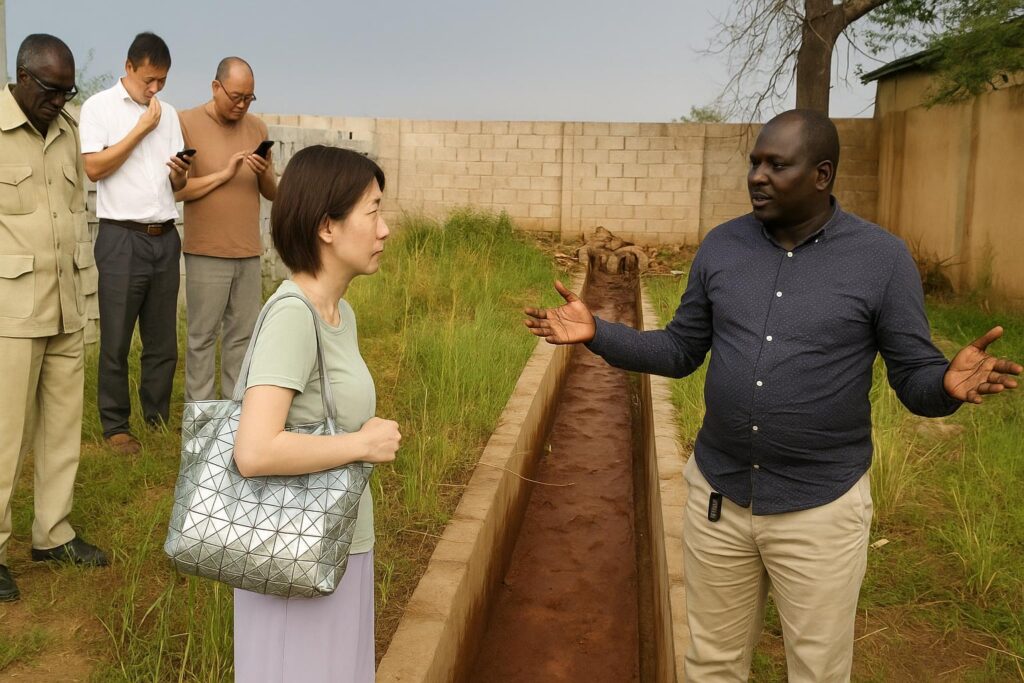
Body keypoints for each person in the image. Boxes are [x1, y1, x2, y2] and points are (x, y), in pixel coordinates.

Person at [524, 109, 1021, 682]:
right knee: (711, 664)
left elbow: (913, 378)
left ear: (821, 174)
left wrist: (944, 386)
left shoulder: (881, 260)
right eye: (755, 163)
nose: (757, 176)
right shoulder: (722, 247)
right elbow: (682, 350)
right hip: (719, 498)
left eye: (776, 165)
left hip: (820, 511)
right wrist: (598, 334)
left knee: (816, 670)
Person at [232, 145, 401, 682]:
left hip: (337, 541)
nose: (384, 229)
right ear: (327, 226)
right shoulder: (291, 316)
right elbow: (254, 451)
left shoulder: (339, 312)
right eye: (372, 212)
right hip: (292, 550)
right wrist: (361, 445)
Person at [0, 34, 108, 603]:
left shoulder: (66, 132)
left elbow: (71, 213)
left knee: (63, 428)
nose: (61, 102)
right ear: (20, 76)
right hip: (12, 311)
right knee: (4, 437)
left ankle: (53, 532)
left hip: (67, 302)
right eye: (50, 90)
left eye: (68, 91)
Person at [79, 32, 190, 455]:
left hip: (164, 235)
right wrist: (142, 129)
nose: (155, 88)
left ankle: (157, 418)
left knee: (162, 340)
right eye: (149, 79)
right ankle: (115, 425)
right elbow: (94, 168)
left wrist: (181, 173)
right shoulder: (99, 108)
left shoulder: (171, 114)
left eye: (162, 80)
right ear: (128, 67)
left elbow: (179, 185)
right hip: (120, 237)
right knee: (117, 338)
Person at [177, 56, 277, 401]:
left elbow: (272, 192)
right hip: (206, 251)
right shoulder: (185, 122)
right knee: (202, 338)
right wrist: (225, 174)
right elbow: (178, 190)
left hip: (248, 251)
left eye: (249, 98)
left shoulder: (257, 128)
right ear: (215, 87)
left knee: (243, 337)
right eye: (236, 96)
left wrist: (263, 169)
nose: (242, 105)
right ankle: (201, 419)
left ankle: (235, 417)